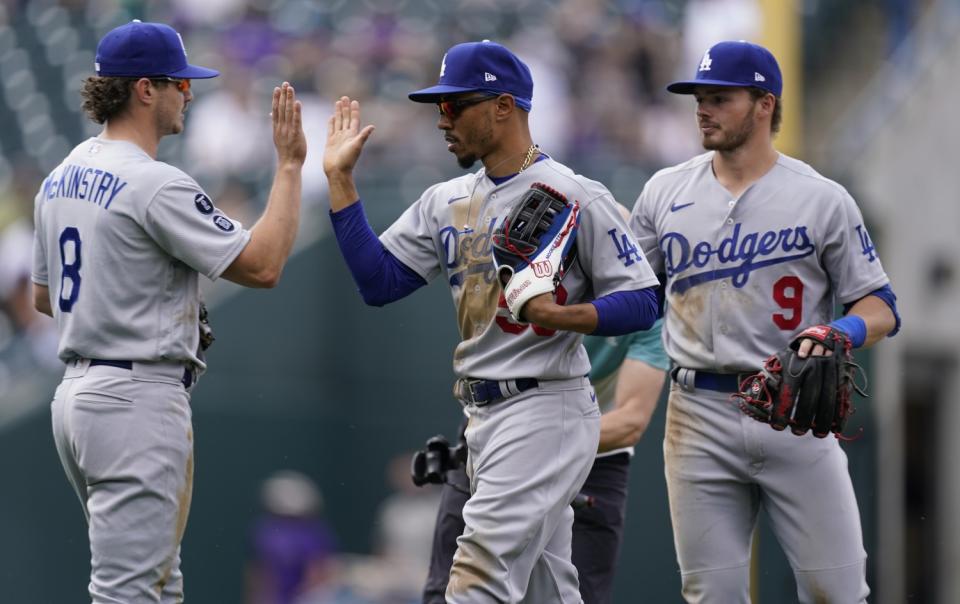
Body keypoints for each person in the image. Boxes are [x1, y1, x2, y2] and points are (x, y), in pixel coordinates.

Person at [323, 40, 660, 603]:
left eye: (456, 105)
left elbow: (645, 300)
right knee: (552, 590)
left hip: (544, 406)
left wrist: (562, 314)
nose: (442, 119)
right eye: (439, 107)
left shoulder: (575, 195)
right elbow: (378, 283)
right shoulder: (446, 199)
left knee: (474, 583)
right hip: (481, 414)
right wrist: (341, 182)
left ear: (504, 106)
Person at [31, 20, 307, 603]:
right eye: (178, 81)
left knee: (150, 587)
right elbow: (263, 266)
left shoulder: (62, 173)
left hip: (77, 399)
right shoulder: (154, 182)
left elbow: (42, 296)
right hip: (134, 400)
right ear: (144, 89)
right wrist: (287, 168)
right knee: (134, 593)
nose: (189, 92)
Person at [629, 40, 901, 603]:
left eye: (719, 98)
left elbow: (881, 308)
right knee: (713, 596)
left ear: (763, 104)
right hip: (697, 413)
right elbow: (632, 298)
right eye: (698, 98)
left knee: (839, 593)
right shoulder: (663, 191)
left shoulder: (821, 198)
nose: (702, 109)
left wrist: (839, 332)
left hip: (794, 409)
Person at [422, 317, 669, 604]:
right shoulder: (524, 283)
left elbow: (630, 422)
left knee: (581, 596)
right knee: (444, 592)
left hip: (594, 467)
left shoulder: (644, 310)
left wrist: (540, 441)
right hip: (489, 444)